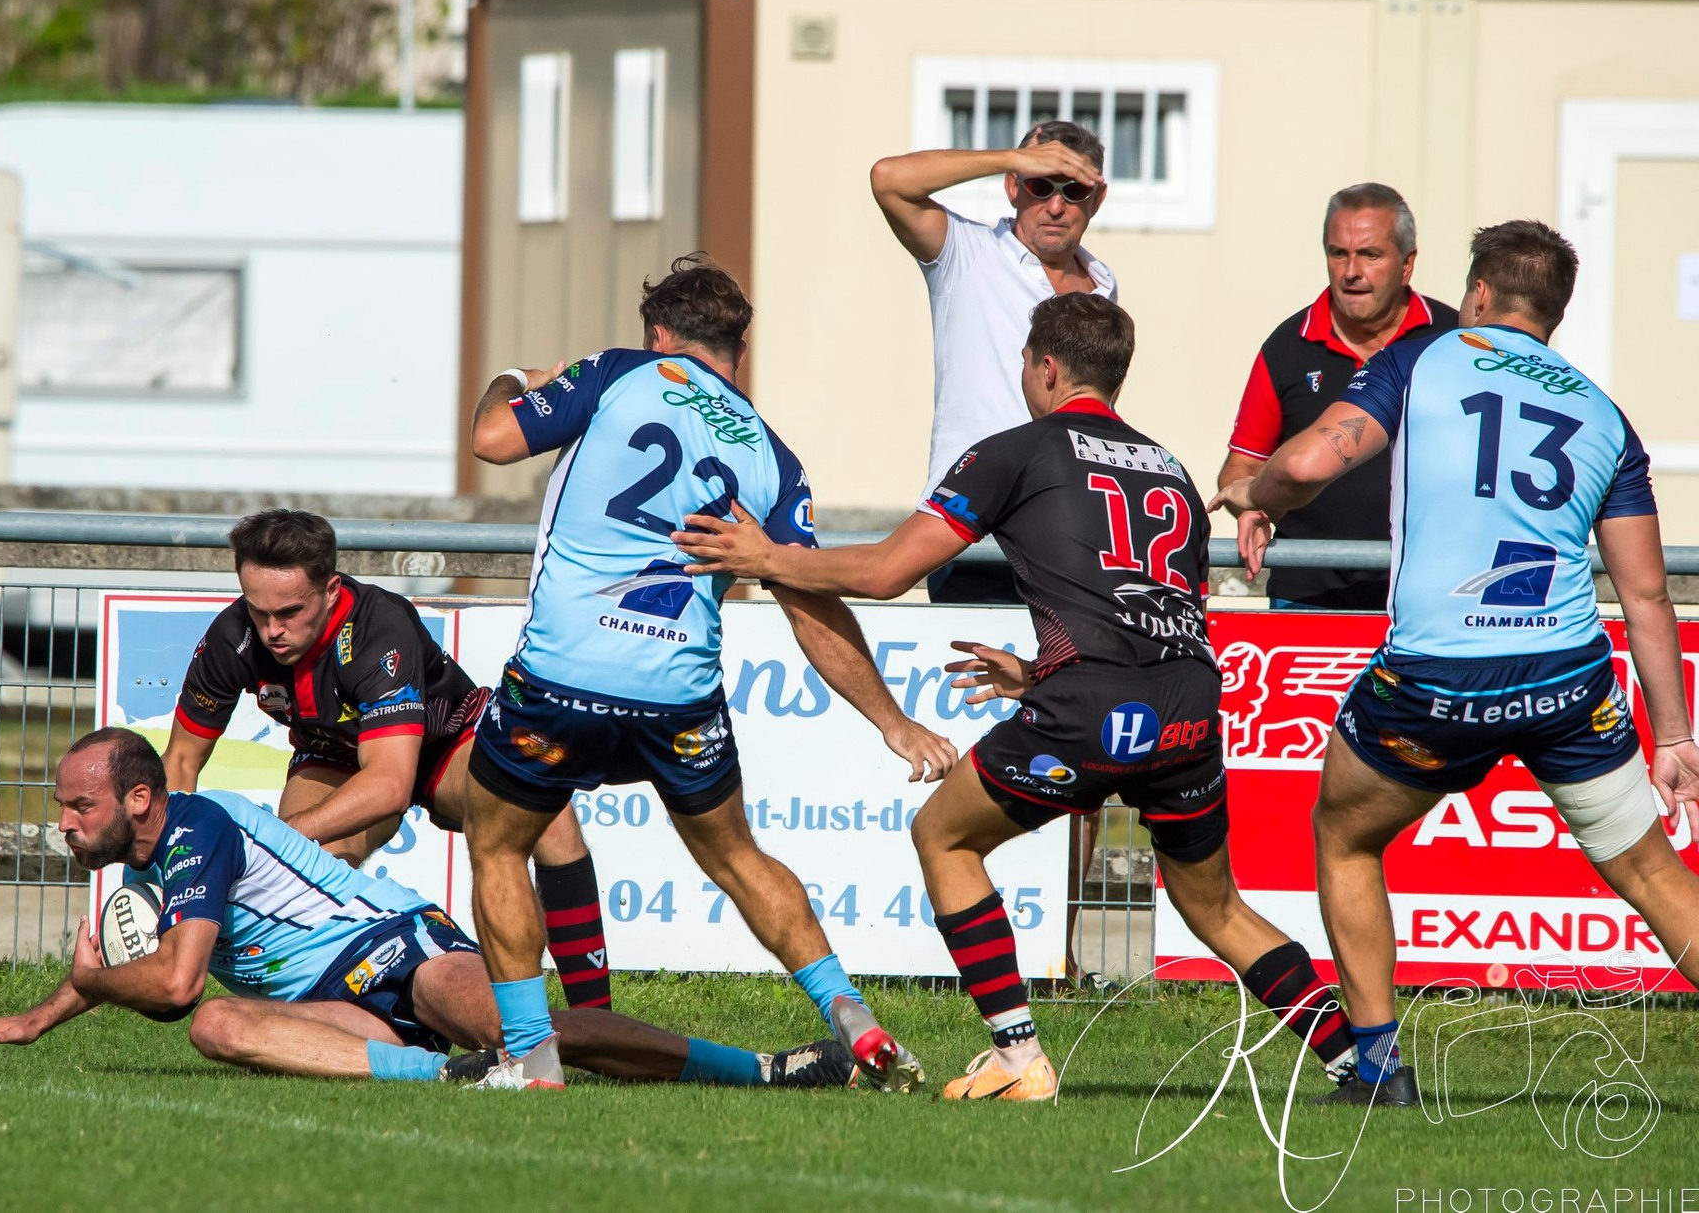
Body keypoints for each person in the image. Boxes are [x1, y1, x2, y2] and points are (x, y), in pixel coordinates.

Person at [675, 294, 1371, 1104]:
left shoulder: (1017, 450)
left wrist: (771, 556)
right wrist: (1041, 673)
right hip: (1186, 698)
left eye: (1023, 366)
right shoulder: (1171, 470)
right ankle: (1354, 1058)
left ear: (1045, 367)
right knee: (1214, 903)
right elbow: (1149, 616)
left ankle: (1015, 1054)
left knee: (943, 835)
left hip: (1092, 703)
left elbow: (886, 572)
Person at [1211, 221, 1699, 1104]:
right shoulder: (1601, 413)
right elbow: (1648, 594)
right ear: (1554, 313)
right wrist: (1673, 733)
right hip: (1566, 679)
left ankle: (1380, 1066)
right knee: (1654, 874)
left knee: (1347, 834)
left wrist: (1256, 490)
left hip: (1438, 679)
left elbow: (1317, 456)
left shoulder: (1426, 356)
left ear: (1477, 294)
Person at [461, 253, 957, 1091]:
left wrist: (520, 377)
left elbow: (493, 438)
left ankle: (529, 1058)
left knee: (498, 840)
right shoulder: (772, 452)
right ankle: (856, 1020)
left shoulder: (618, 373)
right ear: (739, 350)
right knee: (736, 856)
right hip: (677, 690)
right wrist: (893, 720)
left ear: (660, 335)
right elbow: (810, 604)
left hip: (565, 672)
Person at [0, 729, 858, 1090]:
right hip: (328, 999)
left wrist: (89, 979)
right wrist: (41, 1016)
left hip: (395, 949)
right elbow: (179, 987)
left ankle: (763, 1069)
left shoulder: (197, 827)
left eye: (77, 807)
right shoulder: (150, 857)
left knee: (528, 1034)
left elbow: (170, 979)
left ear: (138, 800)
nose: (63, 824)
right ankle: (449, 1081)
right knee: (221, 1023)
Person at [162, 509, 614, 1011]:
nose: (272, 630)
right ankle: (337, 1019)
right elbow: (179, 763)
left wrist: (275, 840)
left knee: (548, 813)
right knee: (305, 875)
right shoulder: (231, 637)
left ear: (331, 589)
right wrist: (166, 870)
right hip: (335, 754)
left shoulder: (380, 625)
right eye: (258, 611)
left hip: (446, 741)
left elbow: (390, 785)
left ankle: (595, 1018)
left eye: (290, 612)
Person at [870, 121, 1112, 603]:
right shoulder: (967, 251)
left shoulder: (1104, 286)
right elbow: (888, 178)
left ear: (1097, 199)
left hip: (1066, 532)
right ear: (1012, 187)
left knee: (1061, 679)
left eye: (1075, 189)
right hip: (971, 529)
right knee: (972, 678)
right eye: (1041, 185)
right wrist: (1014, 157)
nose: (1057, 205)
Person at [1217, 184, 1458, 609]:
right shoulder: (1288, 346)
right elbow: (1241, 467)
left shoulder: (1453, 340)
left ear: (1407, 264)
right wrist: (1252, 508)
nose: (1351, 271)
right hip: (1309, 596)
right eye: (1338, 253)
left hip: (1429, 600)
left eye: (1370, 254)